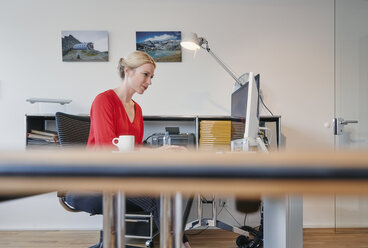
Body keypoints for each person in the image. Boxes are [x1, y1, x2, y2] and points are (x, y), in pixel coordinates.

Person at [65, 51, 191, 248]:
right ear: (128, 71)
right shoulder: (103, 101)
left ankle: (179, 244)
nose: (149, 82)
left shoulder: (137, 109)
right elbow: (109, 148)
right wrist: (155, 153)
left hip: (122, 177)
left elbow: (135, 152)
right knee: (159, 195)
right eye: (145, 75)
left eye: (151, 77)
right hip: (95, 178)